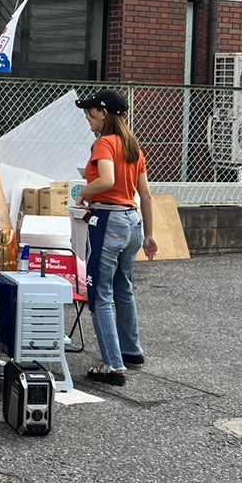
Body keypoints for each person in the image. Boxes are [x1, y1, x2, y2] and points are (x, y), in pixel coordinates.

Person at [75, 89, 158, 387]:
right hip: (133, 222)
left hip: (108, 220)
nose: (87, 117)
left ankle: (113, 366)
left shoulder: (105, 143)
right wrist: (150, 235)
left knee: (100, 294)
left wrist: (83, 192)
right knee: (124, 288)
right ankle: (131, 350)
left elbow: (107, 180)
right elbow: (145, 195)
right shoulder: (133, 146)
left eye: (91, 112)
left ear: (104, 113)